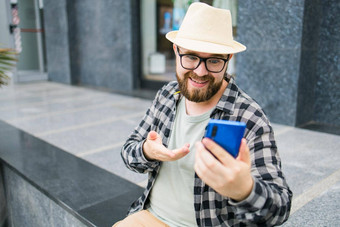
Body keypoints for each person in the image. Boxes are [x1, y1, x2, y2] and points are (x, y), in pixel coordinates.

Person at [116, 2, 292, 226]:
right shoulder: (167, 95)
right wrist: (147, 151)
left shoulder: (249, 117)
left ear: (228, 59)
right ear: (176, 50)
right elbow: (128, 152)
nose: (200, 71)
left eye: (214, 60)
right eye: (190, 57)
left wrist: (245, 190)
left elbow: (280, 207)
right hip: (149, 216)